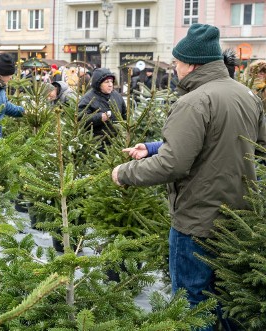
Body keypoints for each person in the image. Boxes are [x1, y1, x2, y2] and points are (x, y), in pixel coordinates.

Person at [112, 24, 266, 331]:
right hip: (239, 221)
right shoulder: (246, 95)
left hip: (197, 223)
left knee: (192, 305)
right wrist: (153, 147)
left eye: (177, 63)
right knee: (229, 304)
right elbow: (250, 145)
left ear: (192, 64)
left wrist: (124, 173)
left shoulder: (193, 101)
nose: (175, 68)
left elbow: (173, 165)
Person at [77, 67, 126, 145]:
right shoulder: (88, 98)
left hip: (117, 143)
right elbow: (80, 119)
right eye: (106, 82)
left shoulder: (117, 96)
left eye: (111, 81)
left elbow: (124, 115)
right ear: (98, 83)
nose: (110, 85)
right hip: (96, 144)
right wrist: (99, 117)